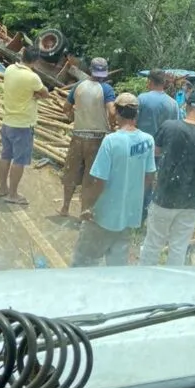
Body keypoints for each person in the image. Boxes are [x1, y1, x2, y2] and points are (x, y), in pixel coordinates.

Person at [71, 93, 156, 267]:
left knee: (84, 262)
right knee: (117, 266)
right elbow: (149, 177)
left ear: (116, 112)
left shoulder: (111, 141)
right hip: (128, 215)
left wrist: (89, 207)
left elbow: (99, 180)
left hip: (103, 214)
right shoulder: (148, 141)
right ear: (136, 114)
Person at [140, 89, 195, 266]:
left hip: (164, 196)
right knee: (178, 247)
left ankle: (144, 281)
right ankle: (172, 287)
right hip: (192, 201)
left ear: (186, 106)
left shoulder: (169, 126)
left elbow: (156, 151)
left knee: (153, 244)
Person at [59, 57, 116, 216]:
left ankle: (65, 207)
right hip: (97, 138)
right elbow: (112, 112)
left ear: (91, 70)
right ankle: (84, 210)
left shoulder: (78, 86)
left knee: (71, 170)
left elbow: (66, 107)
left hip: (78, 135)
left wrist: (72, 117)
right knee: (90, 175)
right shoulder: (106, 89)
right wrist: (112, 125)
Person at [0, 45, 49, 205]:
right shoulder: (32, 77)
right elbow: (45, 92)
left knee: (5, 156)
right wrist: (35, 95)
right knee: (19, 160)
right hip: (23, 125)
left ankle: (2, 188)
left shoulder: (10, 69)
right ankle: (13, 194)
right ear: (36, 60)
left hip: (7, 121)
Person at [137, 69, 179, 221]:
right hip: (161, 152)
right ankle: (146, 215)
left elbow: (132, 122)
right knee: (152, 182)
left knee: (136, 182)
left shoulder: (142, 99)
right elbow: (175, 129)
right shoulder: (173, 104)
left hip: (140, 150)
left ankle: (134, 214)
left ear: (150, 81)